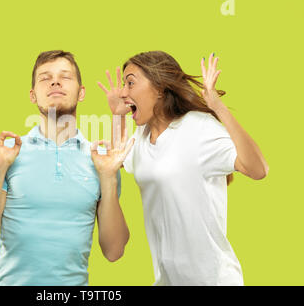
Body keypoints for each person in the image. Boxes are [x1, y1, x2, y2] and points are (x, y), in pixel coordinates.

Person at [98, 51, 269, 286]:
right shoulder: (142, 136)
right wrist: (117, 116)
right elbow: (118, 158)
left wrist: (218, 107)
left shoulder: (198, 127)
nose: (124, 92)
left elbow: (257, 169)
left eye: (130, 82)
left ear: (159, 88)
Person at [0, 50, 133, 286]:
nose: (55, 81)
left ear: (82, 92)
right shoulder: (6, 154)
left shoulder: (101, 160)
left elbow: (114, 251)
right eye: (45, 77)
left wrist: (109, 177)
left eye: (65, 76)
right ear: (33, 95)